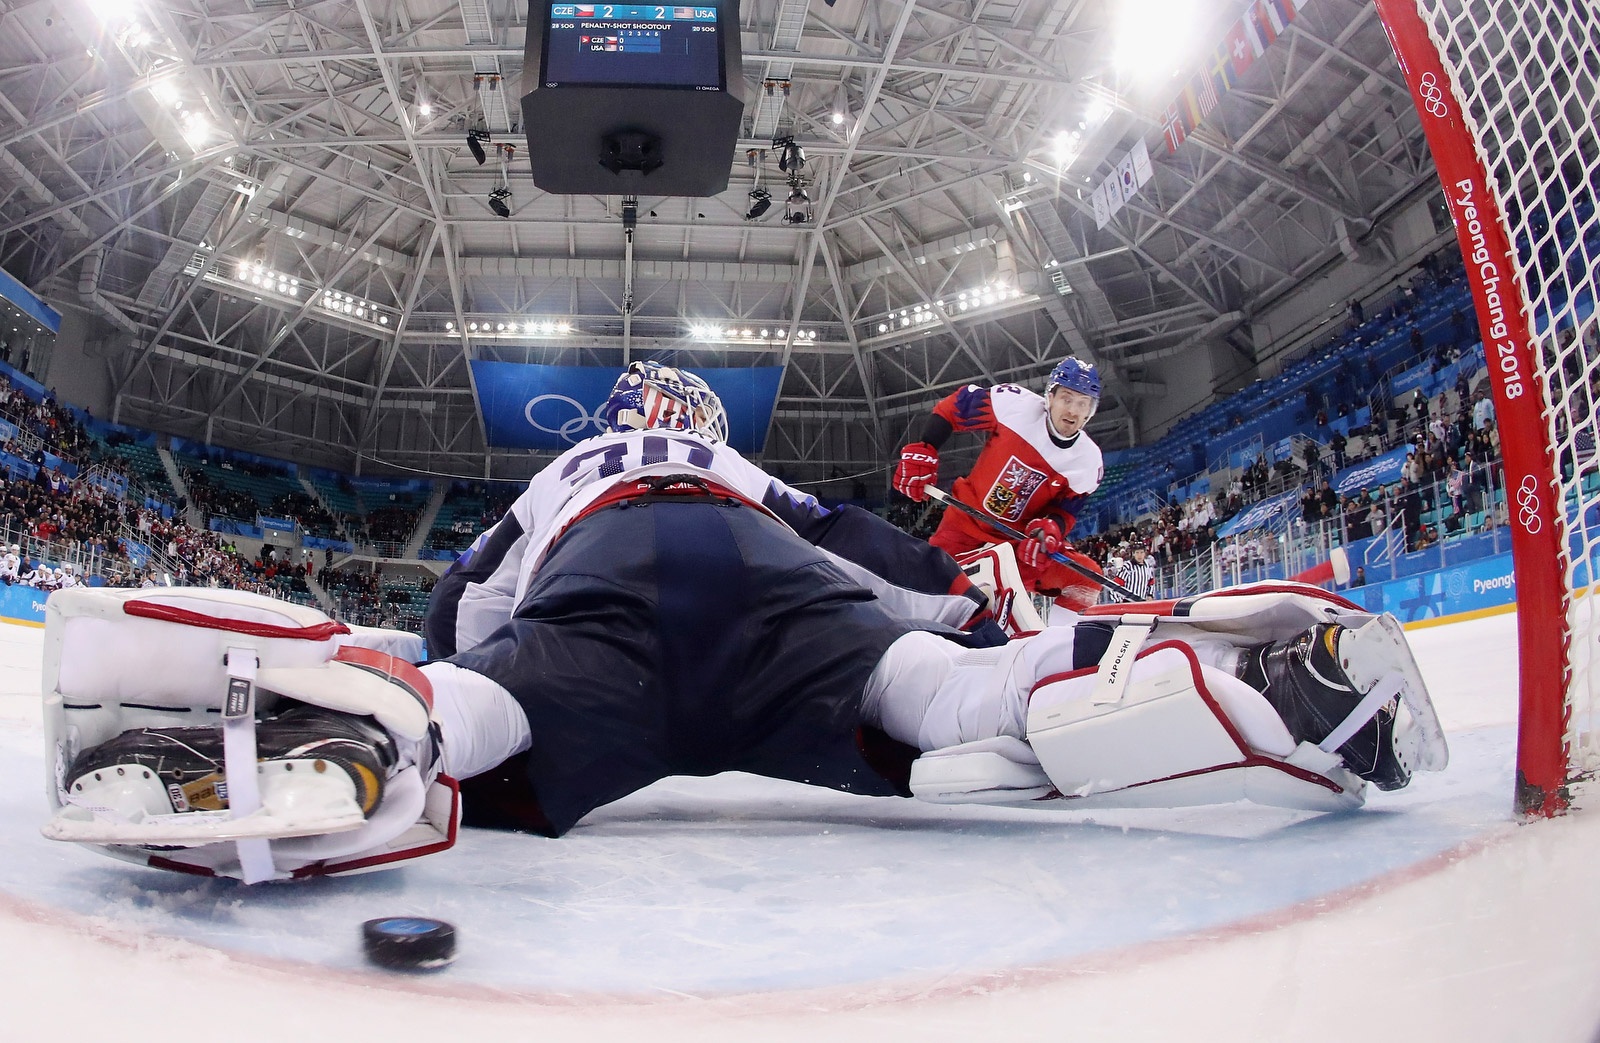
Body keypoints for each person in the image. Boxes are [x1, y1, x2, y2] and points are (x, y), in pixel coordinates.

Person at [43, 362, 1447, 883]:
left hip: (613, 582)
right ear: (702, 422)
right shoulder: (746, 466)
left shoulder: (567, 467)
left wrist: (435, 657)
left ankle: (347, 737)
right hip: (775, 587)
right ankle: (1248, 668)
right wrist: (965, 604)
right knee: (946, 701)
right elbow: (870, 551)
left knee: (491, 701)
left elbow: (471, 593)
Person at [892, 357, 1105, 608]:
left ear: (1090, 412)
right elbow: (954, 407)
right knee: (924, 595)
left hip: (1019, 548)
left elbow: (1067, 511)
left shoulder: (1088, 461)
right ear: (1050, 397)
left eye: (1082, 404)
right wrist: (926, 447)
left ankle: (1060, 645)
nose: (1072, 411)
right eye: (1066, 398)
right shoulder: (1014, 406)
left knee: (1086, 579)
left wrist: (1051, 528)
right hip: (963, 528)